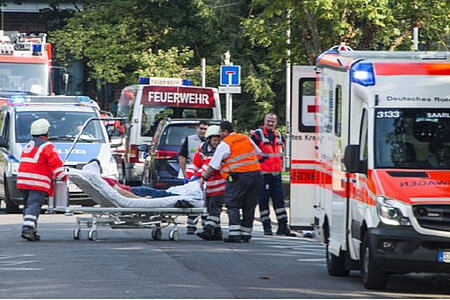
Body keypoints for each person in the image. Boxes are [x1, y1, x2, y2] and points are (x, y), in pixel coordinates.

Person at [201, 121, 263, 243]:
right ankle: (246, 234)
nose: (219, 134)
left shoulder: (225, 144)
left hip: (239, 177)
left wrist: (204, 177)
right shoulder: (245, 138)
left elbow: (213, 166)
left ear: (225, 131)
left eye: (220, 132)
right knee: (249, 205)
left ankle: (234, 235)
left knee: (232, 203)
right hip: (256, 174)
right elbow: (258, 153)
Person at [17, 118, 68, 241]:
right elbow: (55, 163)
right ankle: (28, 230)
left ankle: (31, 229)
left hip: (23, 181)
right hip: (37, 182)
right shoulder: (47, 146)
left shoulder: (28, 145)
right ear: (46, 131)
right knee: (34, 205)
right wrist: (64, 176)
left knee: (28, 206)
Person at [251, 113, 295, 236]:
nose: (270, 123)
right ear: (264, 121)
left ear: (276, 123)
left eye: (273, 121)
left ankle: (283, 227)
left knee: (279, 201)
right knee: (264, 201)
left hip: (276, 174)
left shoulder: (279, 135)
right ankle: (267, 227)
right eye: (268, 121)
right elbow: (250, 152)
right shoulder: (256, 135)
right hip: (263, 175)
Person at [185, 125, 227, 241]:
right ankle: (217, 233)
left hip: (220, 184)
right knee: (210, 208)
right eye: (214, 140)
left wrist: (197, 175)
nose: (216, 142)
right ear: (209, 139)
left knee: (214, 208)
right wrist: (188, 176)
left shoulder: (221, 150)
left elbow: (210, 166)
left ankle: (208, 231)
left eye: (219, 140)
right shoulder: (202, 148)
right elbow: (195, 164)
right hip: (208, 185)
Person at [87, 159, 178, 199]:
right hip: (136, 191)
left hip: (134, 190)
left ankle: (179, 195)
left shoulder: (99, 181)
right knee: (161, 193)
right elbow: (121, 192)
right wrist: (139, 199)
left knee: (161, 193)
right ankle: (181, 197)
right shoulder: (105, 181)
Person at [179, 120, 209, 234]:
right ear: (197, 128)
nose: (202, 131)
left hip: (206, 175)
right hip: (192, 175)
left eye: (205, 129)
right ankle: (191, 225)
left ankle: (206, 224)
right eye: (201, 128)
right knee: (194, 199)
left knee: (206, 201)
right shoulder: (190, 139)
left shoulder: (213, 141)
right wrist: (185, 174)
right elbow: (182, 157)